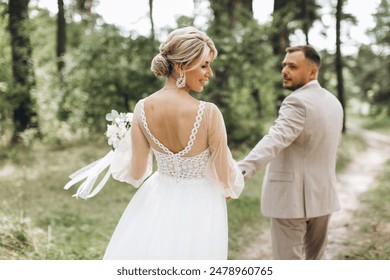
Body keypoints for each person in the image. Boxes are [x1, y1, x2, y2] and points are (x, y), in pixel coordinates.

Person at [99, 26, 244, 259]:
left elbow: (136, 173)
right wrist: (229, 186)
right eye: (204, 65)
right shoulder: (209, 113)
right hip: (202, 204)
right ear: (180, 65)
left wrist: (122, 148)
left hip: (157, 198)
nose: (210, 73)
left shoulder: (142, 108)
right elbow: (226, 177)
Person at [238, 45, 344, 260]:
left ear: (313, 71)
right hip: (323, 196)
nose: (285, 71)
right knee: (317, 260)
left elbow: (275, 139)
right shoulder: (334, 102)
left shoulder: (296, 101)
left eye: (293, 66)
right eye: (284, 65)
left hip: (291, 200)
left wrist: (241, 170)